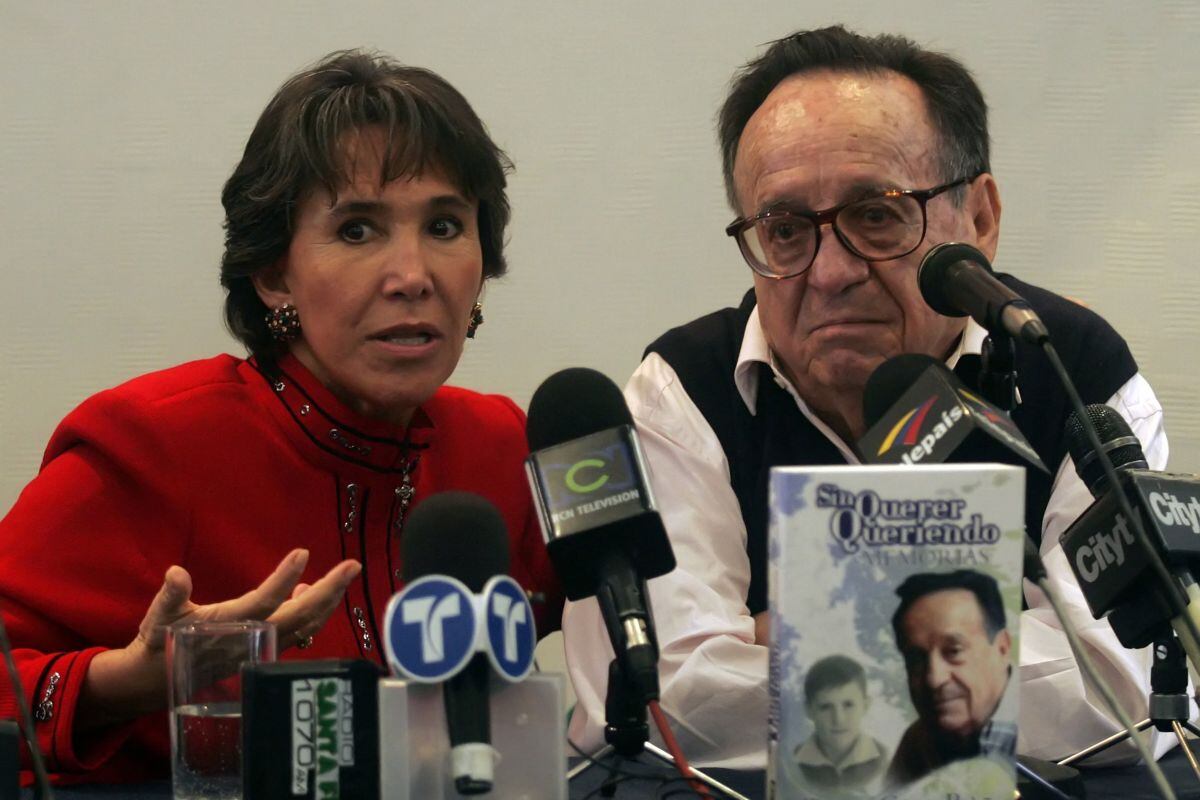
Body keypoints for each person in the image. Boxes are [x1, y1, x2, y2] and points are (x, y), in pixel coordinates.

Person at [562, 25, 1171, 768]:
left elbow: (1125, 683)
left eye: (875, 215)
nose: (828, 273)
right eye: (785, 231)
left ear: (978, 219)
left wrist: (782, 636)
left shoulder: (1072, 367)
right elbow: (653, 700)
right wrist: (974, 653)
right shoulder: (682, 392)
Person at [0, 50, 562, 784]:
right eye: (358, 230)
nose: (414, 276)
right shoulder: (148, 443)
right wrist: (132, 679)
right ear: (272, 274)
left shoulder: (501, 448)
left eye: (446, 226)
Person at [887, 571, 1014, 785]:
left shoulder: (1020, 738)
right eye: (916, 659)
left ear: (1001, 648)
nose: (934, 679)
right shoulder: (919, 741)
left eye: (953, 651)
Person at [794, 654, 887, 790]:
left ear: (866, 705)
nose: (838, 719)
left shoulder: (884, 760)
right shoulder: (792, 762)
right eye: (825, 707)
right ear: (809, 710)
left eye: (848, 705)